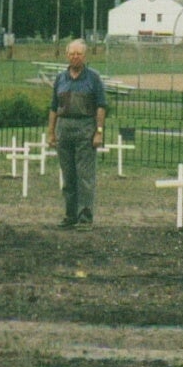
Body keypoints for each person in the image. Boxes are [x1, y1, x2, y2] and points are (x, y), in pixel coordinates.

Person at [47, 39, 107, 227]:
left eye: (78, 54)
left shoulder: (93, 78)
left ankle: (85, 217)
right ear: (67, 55)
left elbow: (101, 106)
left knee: (85, 176)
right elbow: (54, 107)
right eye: (72, 53)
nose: (75, 57)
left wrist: (98, 132)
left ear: (84, 56)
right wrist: (51, 133)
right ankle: (70, 215)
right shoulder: (60, 79)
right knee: (68, 175)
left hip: (85, 129)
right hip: (64, 129)